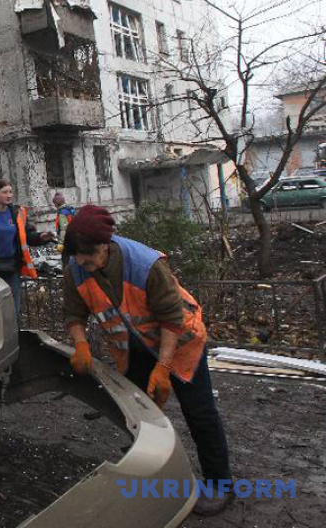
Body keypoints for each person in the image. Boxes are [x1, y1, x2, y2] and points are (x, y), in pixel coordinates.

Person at [61, 205, 234, 516]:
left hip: (181, 342)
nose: (83, 264)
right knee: (139, 412)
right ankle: (149, 472)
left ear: (105, 246)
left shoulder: (146, 265)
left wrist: (164, 367)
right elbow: (74, 313)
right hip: (134, 349)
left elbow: (171, 319)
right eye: (78, 258)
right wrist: (81, 344)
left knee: (199, 412)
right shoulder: (76, 269)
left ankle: (220, 484)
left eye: (88, 258)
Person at [0, 179, 54, 314]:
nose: (9, 195)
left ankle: (14, 328)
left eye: (11, 192)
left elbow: (27, 236)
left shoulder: (17, 213)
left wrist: (41, 237)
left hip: (12, 269)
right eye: (4, 192)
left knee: (13, 310)